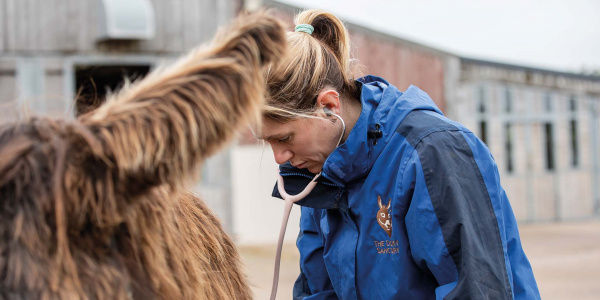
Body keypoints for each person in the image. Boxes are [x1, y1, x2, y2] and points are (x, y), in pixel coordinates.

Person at [258, 9, 541, 300]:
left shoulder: (434, 154)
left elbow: (478, 291)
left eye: (284, 138)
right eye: (267, 141)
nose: (280, 157)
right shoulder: (316, 177)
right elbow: (319, 290)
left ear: (329, 106)